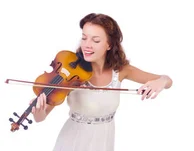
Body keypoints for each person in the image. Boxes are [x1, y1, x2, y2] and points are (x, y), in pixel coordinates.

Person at [29, 13, 173, 151]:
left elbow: (167, 81)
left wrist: (161, 81)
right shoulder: (70, 74)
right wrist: (38, 112)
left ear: (109, 44)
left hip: (103, 143)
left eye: (95, 40)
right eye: (84, 38)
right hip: (72, 142)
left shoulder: (121, 70)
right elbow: (41, 117)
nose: (87, 45)